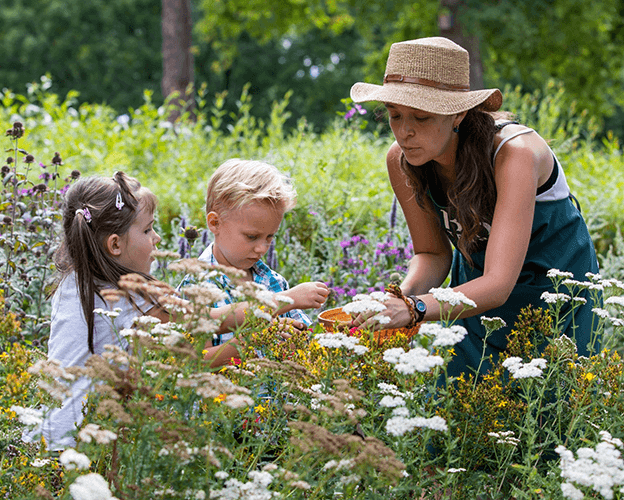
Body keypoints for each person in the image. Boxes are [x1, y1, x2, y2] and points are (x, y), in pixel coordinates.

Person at [347, 37, 599, 377]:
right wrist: (394, 302)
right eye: (394, 115)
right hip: (472, 299)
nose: (404, 132)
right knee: (460, 410)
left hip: (556, 302)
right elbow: (433, 255)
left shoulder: (514, 153)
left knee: (547, 413)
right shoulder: (402, 159)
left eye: (421, 117)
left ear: (459, 113)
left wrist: (415, 308)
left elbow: (498, 283)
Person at [30, 172, 283, 449]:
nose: (158, 238)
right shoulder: (131, 300)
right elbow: (209, 323)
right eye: (148, 230)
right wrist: (284, 302)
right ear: (114, 244)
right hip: (86, 439)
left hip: (45, 433)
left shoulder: (73, 282)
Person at [178, 158, 330, 349]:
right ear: (215, 223)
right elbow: (197, 363)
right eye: (252, 237)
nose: (262, 248)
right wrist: (256, 340)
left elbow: (304, 341)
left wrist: (296, 341)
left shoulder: (273, 281)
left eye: (270, 237)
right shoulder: (197, 287)